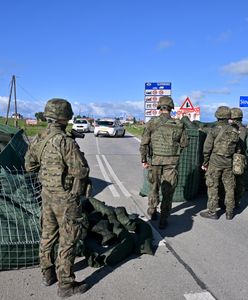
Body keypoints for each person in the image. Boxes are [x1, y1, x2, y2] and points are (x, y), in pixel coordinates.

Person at [25, 98, 90, 298]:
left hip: (47, 195)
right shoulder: (65, 141)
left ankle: (47, 275)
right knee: (68, 239)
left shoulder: (39, 138)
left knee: (47, 236)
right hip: (66, 199)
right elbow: (80, 171)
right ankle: (66, 285)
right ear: (65, 117)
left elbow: (29, 166)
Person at [139, 96, 189, 229]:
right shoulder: (179, 124)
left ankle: (152, 210)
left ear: (159, 107)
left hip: (155, 161)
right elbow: (185, 143)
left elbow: (144, 143)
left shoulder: (152, 123)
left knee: (154, 187)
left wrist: (144, 159)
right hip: (171, 162)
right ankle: (164, 219)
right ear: (171, 108)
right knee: (168, 191)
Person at [200, 106, 240, 220]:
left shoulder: (214, 130)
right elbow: (238, 150)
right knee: (229, 188)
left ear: (217, 116)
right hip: (228, 163)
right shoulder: (234, 131)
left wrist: (205, 162)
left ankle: (212, 212)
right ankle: (229, 212)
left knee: (212, 186)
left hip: (215, 163)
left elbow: (207, 148)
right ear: (228, 117)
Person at [230, 107, 248, 208]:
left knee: (229, 181)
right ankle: (236, 202)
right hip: (241, 158)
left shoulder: (230, 129)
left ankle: (229, 203)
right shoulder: (245, 130)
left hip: (231, 157)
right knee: (239, 181)